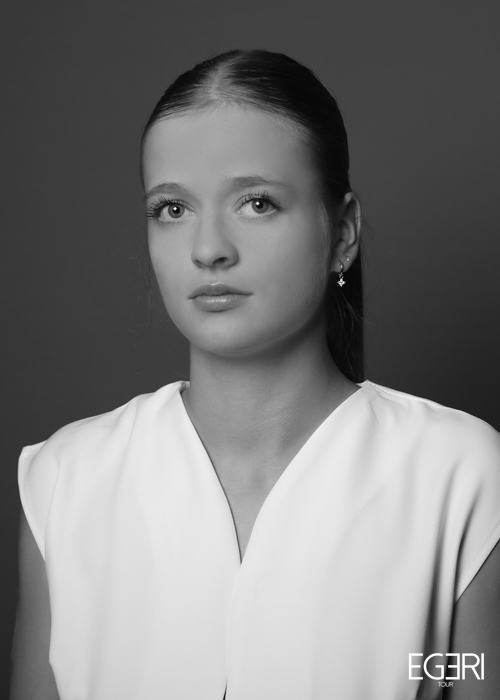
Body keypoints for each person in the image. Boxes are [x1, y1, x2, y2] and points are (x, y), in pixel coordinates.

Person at [10, 49, 500, 700]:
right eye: (172, 209)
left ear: (343, 234)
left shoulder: (461, 476)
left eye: (257, 203)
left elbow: (467, 676)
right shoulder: (64, 483)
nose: (208, 248)